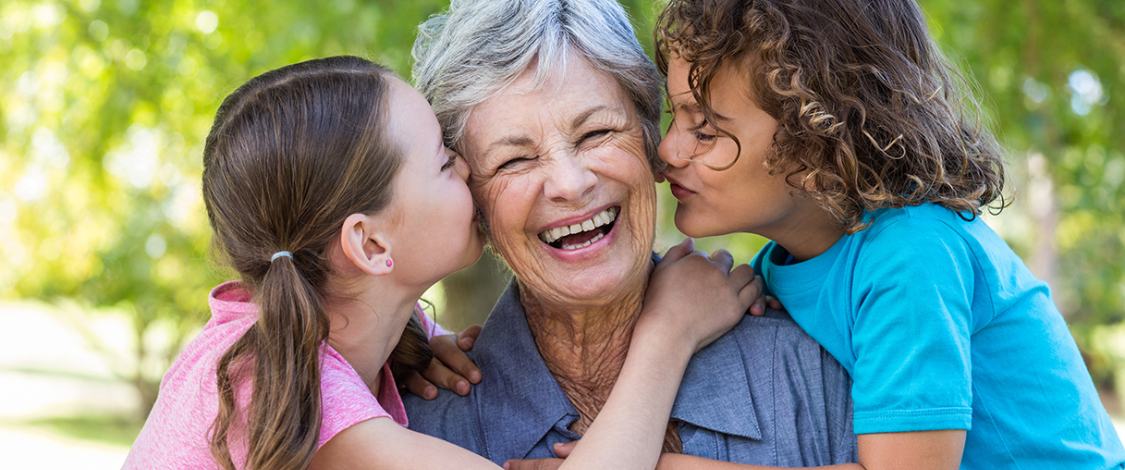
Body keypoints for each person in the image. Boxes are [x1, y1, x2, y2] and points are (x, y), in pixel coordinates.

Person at [123, 55, 765, 470]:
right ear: (371, 246)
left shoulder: (324, 343)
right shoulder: (285, 388)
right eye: (443, 160)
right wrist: (668, 333)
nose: (469, 169)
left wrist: (417, 337)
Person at [654, 0, 1125, 469]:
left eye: (706, 129)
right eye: (674, 117)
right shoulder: (782, 266)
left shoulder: (911, 252)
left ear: (820, 139)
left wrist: (658, 464)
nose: (667, 150)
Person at [402, 0, 858, 468]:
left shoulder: (817, 367)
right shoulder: (415, 430)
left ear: (650, 145)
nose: (571, 183)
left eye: (596, 133)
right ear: (471, 205)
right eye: (514, 160)